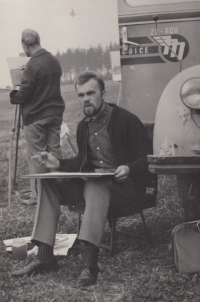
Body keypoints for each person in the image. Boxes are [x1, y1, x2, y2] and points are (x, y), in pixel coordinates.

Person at [11, 71, 152, 287]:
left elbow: (149, 156)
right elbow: (82, 161)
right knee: (48, 181)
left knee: (95, 183)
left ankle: (90, 264)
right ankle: (45, 257)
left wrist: (129, 168)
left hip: (126, 187)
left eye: (90, 93)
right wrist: (58, 164)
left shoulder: (126, 120)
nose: (85, 99)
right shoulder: (83, 126)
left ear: (103, 93)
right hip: (95, 187)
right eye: (80, 95)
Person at [10, 29, 65, 204]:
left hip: (36, 117)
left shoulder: (32, 64)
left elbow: (23, 95)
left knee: (37, 157)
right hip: (55, 114)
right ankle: (60, 191)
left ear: (25, 45)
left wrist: (12, 94)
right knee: (54, 154)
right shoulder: (54, 61)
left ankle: (38, 196)